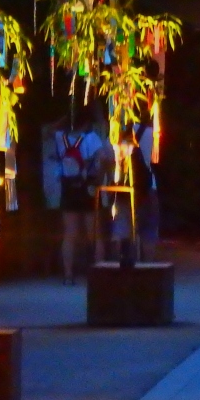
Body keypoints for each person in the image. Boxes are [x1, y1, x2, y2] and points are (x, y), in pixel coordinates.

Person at [53, 117, 106, 284]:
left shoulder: (60, 137)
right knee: (95, 234)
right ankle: (100, 273)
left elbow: (50, 132)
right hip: (87, 187)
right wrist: (100, 178)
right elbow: (102, 159)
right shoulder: (91, 138)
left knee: (69, 234)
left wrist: (61, 120)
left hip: (68, 187)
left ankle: (68, 275)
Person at [108, 126, 156, 264]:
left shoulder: (114, 134)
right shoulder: (150, 132)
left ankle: (120, 265)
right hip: (146, 188)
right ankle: (147, 269)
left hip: (122, 188)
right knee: (148, 230)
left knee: (122, 228)